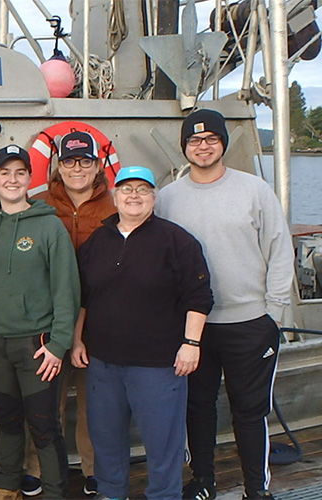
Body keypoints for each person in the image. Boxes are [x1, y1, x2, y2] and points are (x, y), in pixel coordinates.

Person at [155, 109, 294, 500]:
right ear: (185, 147)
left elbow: (280, 250)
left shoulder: (255, 191)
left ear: (222, 144)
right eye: (195, 140)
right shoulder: (167, 198)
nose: (203, 146)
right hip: (192, 328)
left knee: (249, 412)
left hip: (250, 322)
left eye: (211, 139)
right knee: (197, 408)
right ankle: (203, 482)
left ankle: (256, 489)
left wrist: (275, 314)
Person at [73, 166, 214, 500]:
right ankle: (110, 493)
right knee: (106, 438)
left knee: (163, 442)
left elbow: (200, 296)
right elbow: (82, 296)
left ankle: (164, 496)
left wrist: (191, 343)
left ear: (154, 197)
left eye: (142, 189)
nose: (133, 196)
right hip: (103, 362)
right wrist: (78, 339)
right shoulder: (98, 240)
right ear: (114, 195)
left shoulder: (177, 240)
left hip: (158, 363)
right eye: (126, 189)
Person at [0, 145, 79, 500]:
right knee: (5, 419)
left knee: (44, 426)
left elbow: (67, 289)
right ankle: (6, 485)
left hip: (35, 346)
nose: (12, 179)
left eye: (20, 172)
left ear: (29, 179)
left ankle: (54, 492)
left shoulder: (49, 227)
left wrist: (58, 345)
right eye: (4, 173)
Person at [24, 130, 117, 497]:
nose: (77, 168)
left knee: (96, 403)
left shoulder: (115, 205)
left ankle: (94, 469)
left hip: (100, 322)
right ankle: (37, 467)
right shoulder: (39, 204)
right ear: (57, 167)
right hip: (49, 322)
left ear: (97, 166)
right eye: (69, 161)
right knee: (46, 400)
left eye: (85, 160)